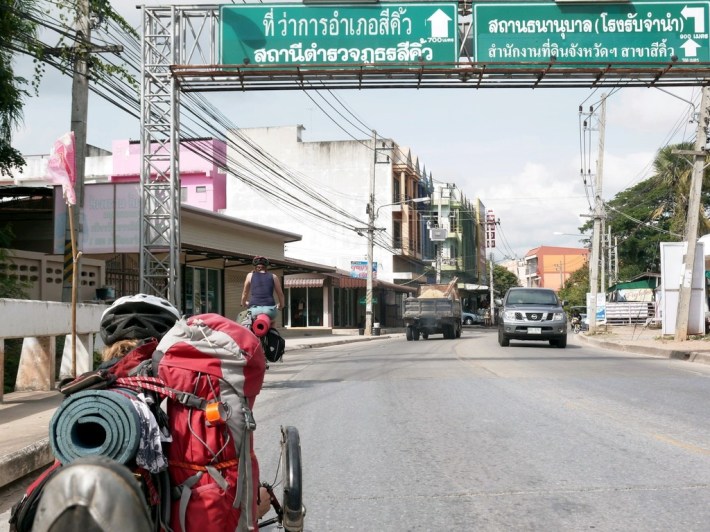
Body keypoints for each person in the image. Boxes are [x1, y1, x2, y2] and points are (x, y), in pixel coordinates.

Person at [241, 256, 286, 320]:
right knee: (272, 321)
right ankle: (271, 326)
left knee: (247, 321)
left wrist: (243, 303)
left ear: (255, 267)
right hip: (269, 310)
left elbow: (245, 293)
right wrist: (281, 305)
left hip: (254, 309)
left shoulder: (250, 275)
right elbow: (280, 294)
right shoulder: (274, 276)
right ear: (266, 267)